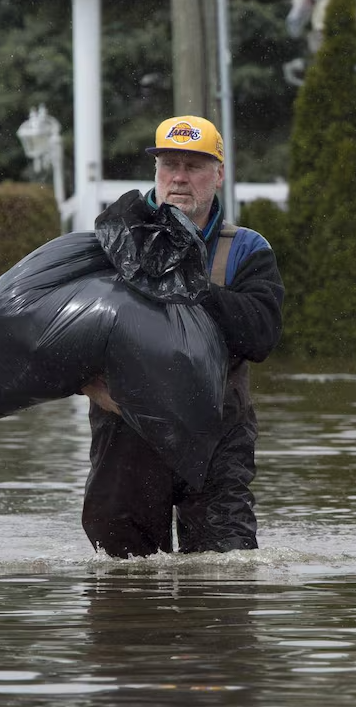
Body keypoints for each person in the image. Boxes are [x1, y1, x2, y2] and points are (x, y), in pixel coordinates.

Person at [80, 115, 285, 558]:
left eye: (193, 166)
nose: (179, 178)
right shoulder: (110, 243)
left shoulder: (247, 249)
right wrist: (91, 387)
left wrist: (193, 287)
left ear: (219, 173)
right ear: (155, 171)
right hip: (127, 437)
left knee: (225, 578)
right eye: (169, 164)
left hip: (218, 438)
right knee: (123, 584)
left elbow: (261, 337)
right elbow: (61, 336)